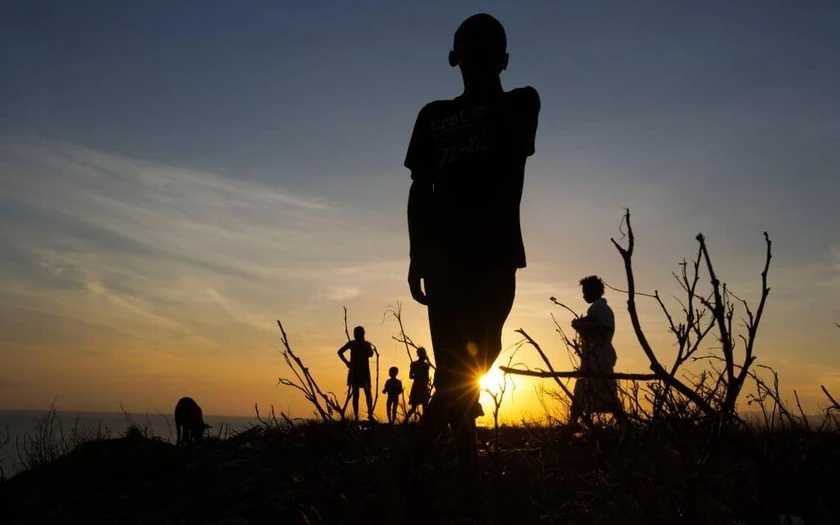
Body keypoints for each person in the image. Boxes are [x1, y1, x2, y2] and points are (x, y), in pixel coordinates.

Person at [403, 12, 540, 484]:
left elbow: (517, 144)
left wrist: (488, 91)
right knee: (452, 373)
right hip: (443, 261)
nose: (478, 61)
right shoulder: (433, 116)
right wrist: (417, 253)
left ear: (503, 59)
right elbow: (421, 188)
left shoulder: (522, 103)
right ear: (453, 59)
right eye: (470, 52)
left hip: (496, 256)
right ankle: (464, 476)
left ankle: (413, 461)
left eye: (488, 52)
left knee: (480, 359)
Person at [569, 275, 624, 426]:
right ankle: (572, 424)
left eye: (586, 291)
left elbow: (603, 328)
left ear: (594, 291)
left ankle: (572, 424)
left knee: (598, 391)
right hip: (593, 359)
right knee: (591, 391)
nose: (584, 295)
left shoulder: (602, 309)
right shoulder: (598, 309)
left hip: (599, 359)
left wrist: (583, 324)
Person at [337, 326, 376, 422]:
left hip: (365, 372)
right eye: (356, 333)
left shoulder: (366, 344)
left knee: (368, 393)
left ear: (363, 334)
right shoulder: (352, 344)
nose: (357, 335)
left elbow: (371, 354)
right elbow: (340, 352)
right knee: (356, 394)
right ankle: (356, 417)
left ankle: (370, 415)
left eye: (359, 333)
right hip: (355, 372)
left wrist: (367, 346)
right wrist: (347, 363)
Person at [404, 347, 432, 422]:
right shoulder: (417, 364)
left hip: (421, 385)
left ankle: (424, 422)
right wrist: (419, 376)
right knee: (418, 406)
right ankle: (406, 420)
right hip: (418, 386)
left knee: (423, 405)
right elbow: (411, 376)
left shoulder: (423, 365)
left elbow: (425, 377)